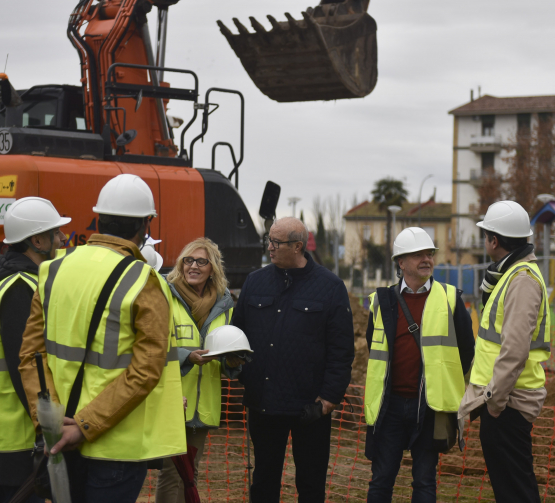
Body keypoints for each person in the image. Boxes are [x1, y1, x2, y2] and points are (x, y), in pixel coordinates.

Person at [18, 174, 185, 503]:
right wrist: (84, 426)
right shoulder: (143, 280)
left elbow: (30, 357)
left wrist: (51, 425)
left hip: (61, 439)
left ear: (99, 218)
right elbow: (145, 371)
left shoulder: (53, 270)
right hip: (116, 446)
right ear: (145, 226)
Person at [231, 216, 354, 503]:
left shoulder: (331, 287)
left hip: (309, 409)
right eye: (268, 240)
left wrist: (327, 400)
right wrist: (242, 376)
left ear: (298, 246)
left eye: (276, 242)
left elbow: (342, 350)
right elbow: (237, 337)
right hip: (264, 405)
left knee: (310, 486)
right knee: (263, 482)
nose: (269, 247)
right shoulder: (255, 282)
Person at [0, 197, 70, 503]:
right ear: (37, 240)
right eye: (56, 233)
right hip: (16, 436)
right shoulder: (22, 288)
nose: (63, 239)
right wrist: (47, 427)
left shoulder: (3, 281)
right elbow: (27, 365)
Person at [364, 227, 475, 503]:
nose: (426, 259)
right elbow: (373, 345)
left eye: (429, 253)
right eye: (418, 254)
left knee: (424, 482)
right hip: (388, 406)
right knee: (381, 481)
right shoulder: (381, 302)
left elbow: (466, 349)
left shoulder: (450, 298)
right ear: (401, 263)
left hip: (429, 405)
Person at [458, 200, 551, 503]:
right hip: (501, 401)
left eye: (486, 235)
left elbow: (514, 350)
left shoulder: (521, 279)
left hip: (506, 404)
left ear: (494, 240)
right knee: (510, 489)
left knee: (516, 492)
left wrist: (494, 403)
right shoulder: (512, 274)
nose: (485, 241)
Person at [155, 237, 235, 503]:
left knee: (191, 472)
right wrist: (187, 356)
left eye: (201, 261)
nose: (194, 266)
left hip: (204, 404)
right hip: (172, 399)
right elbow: (151, 347)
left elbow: (226, 351)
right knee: (171, 472)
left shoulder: (224, 304)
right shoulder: (164, 295)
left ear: (212, 268)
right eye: (188, 260)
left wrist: (233, 361)